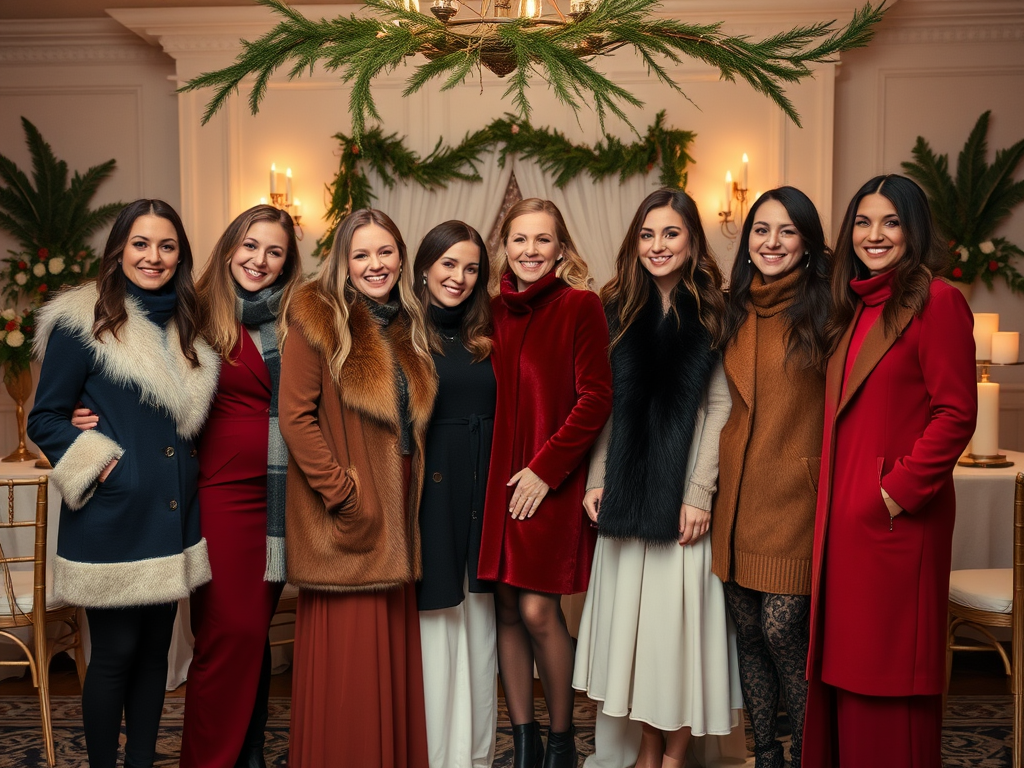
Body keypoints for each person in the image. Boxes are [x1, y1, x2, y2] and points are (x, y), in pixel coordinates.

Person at [28, 199, 219, 768]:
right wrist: (102, 462)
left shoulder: (190, 321)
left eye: (166, 245)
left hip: (172, 515)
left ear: (180, 254)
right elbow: (46, 418)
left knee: (156, 652)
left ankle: (140, 761)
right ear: (119, 249)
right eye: (140, 243)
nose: (153, 257)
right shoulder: (80, 319)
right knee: (114, 654)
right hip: (112, 515)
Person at [802, 174, 977, 768]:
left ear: (913, 229)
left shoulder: (938, 300)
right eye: (863, 222)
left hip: (894, 528)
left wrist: (893, 495)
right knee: (848, 681)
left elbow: (956, 414)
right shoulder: (851, 308)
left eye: (891, 222)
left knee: (889, 688)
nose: (874, 235)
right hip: (845, 528)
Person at [573, 188, 740, 768]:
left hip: (684, 499)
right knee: (639, 637)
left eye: (670, 233)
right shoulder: (613, 307)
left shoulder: (716, 309)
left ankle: (674, 754)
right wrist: (597, 480)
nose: (658, 246)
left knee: (676, 634)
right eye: (647, 235)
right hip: (625, 495)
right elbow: (607, 404)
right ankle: (646, 748)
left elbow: (720, 407)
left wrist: (698, 495)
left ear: (692, 238)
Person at [279, 208, 436, 768]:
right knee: (348, 670)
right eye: (362, 254)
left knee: (389, 667)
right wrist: (343, 496)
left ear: (401, 257)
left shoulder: (407, 325)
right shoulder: (316, 319)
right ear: (343, 263)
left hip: (398, 523)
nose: (376, 264)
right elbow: (295, 417)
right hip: (352, 520)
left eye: (385, 252)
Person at [478, 198, 613, 768]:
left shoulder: (581, 307)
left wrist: (545, 469)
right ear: (503, 248)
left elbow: (596, 398)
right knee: (505, 610)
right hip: (493, 486)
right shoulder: (488, 311)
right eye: (519, 240)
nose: (530, 251)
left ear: (561, 248)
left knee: (538, 612)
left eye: (542, 240)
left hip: (546, 485)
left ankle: (561, 743)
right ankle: (524, 741)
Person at [710, 187, 835, 768]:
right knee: (750, 635)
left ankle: (808, 753)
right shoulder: (733, 307)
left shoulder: (830, 307)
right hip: (736, 497)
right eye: (761, 230)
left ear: (807, 242)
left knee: (785, 629)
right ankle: (765, 754)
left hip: (797, 497)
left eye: (787, 231)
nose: (771, 242)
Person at [178, 204, 303, 768]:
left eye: (274, 251)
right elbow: (147, 383)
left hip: (282, 502)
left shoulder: (295, 319)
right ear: (231, 247)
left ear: (287, 262)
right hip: (223, 497)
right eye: (251, 246)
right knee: (227, 638)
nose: (260, 260)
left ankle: (247, 753)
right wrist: (90, 415)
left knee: (250, 640)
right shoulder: (195, 314)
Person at [412, 220, 498, 768]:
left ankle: (478, 756)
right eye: (449, 264)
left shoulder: (491, 333)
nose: (459, 278)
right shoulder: (401, 332)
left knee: (483, 631)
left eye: (471, 268)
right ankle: (440, 755)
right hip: (429, 497)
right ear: (424, 268)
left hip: (485, 493)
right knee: (436, 631)